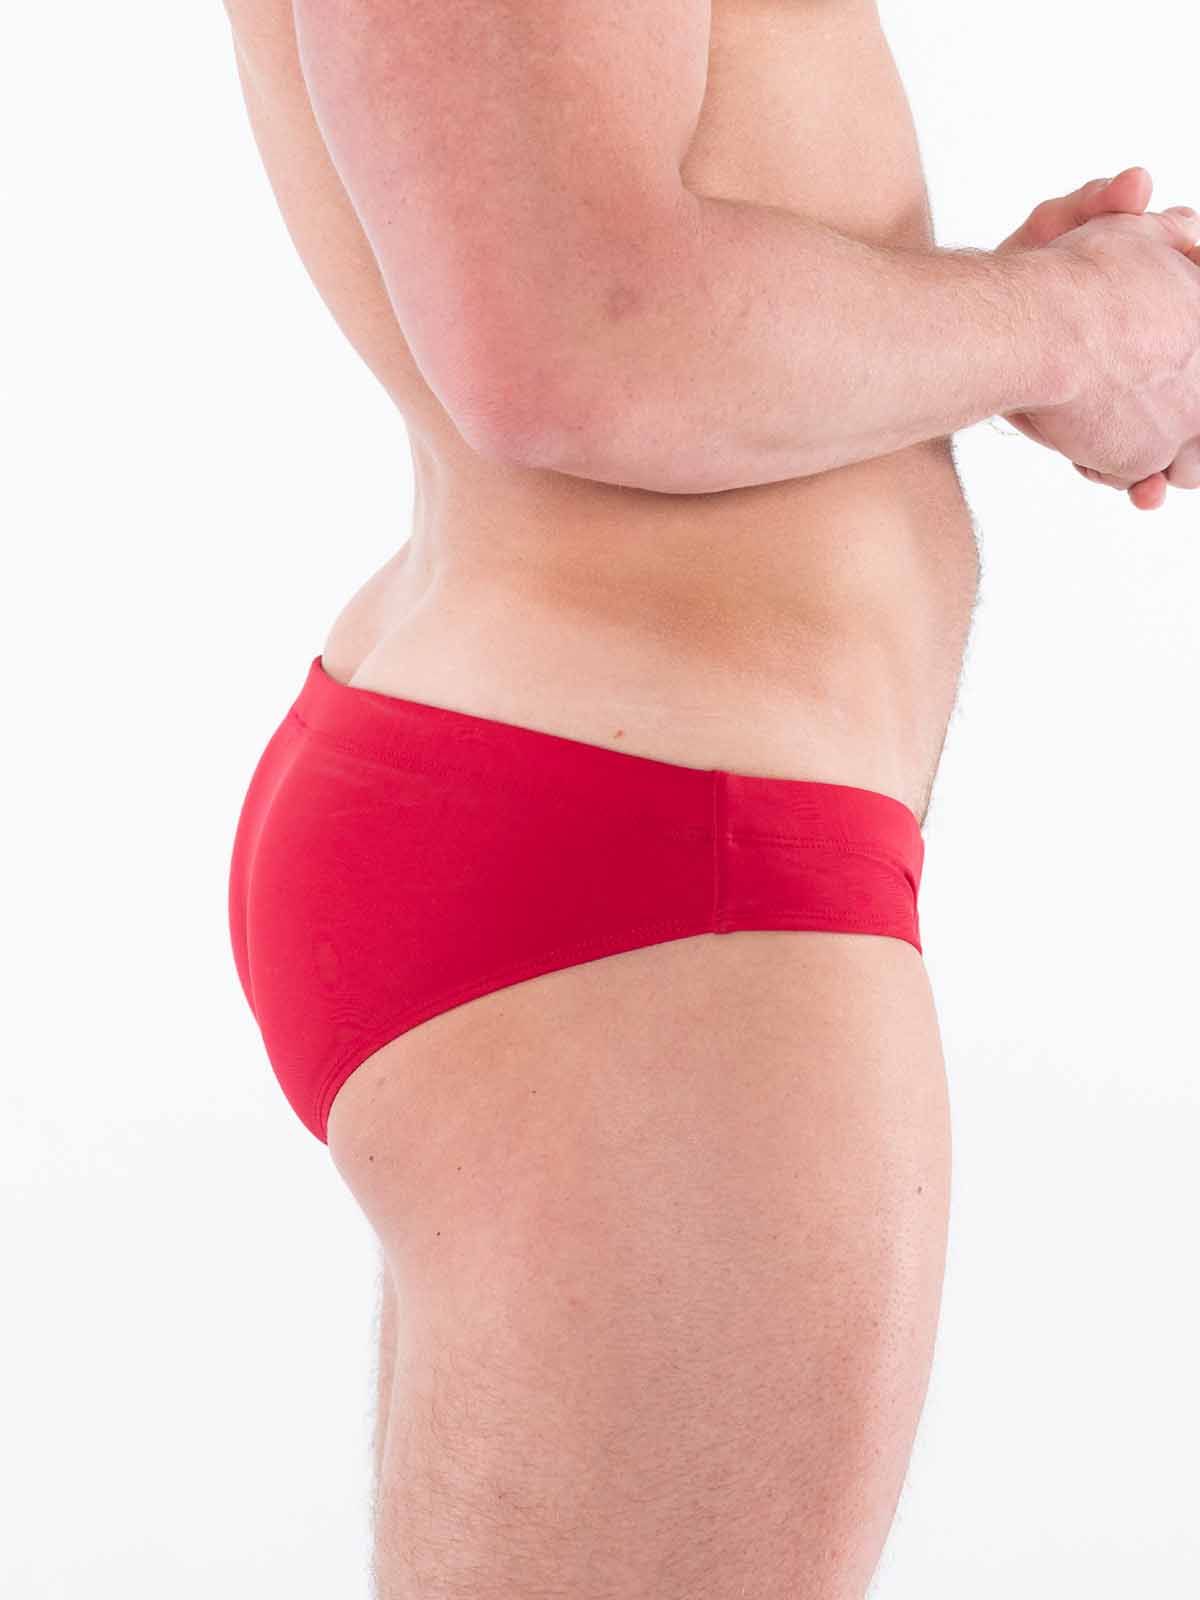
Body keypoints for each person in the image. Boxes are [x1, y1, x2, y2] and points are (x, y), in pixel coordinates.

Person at [221, 1, 1200, 1594]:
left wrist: (1011, 326)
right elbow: (577, 336)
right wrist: (1079, 323)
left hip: (616, 822)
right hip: (651, 859)